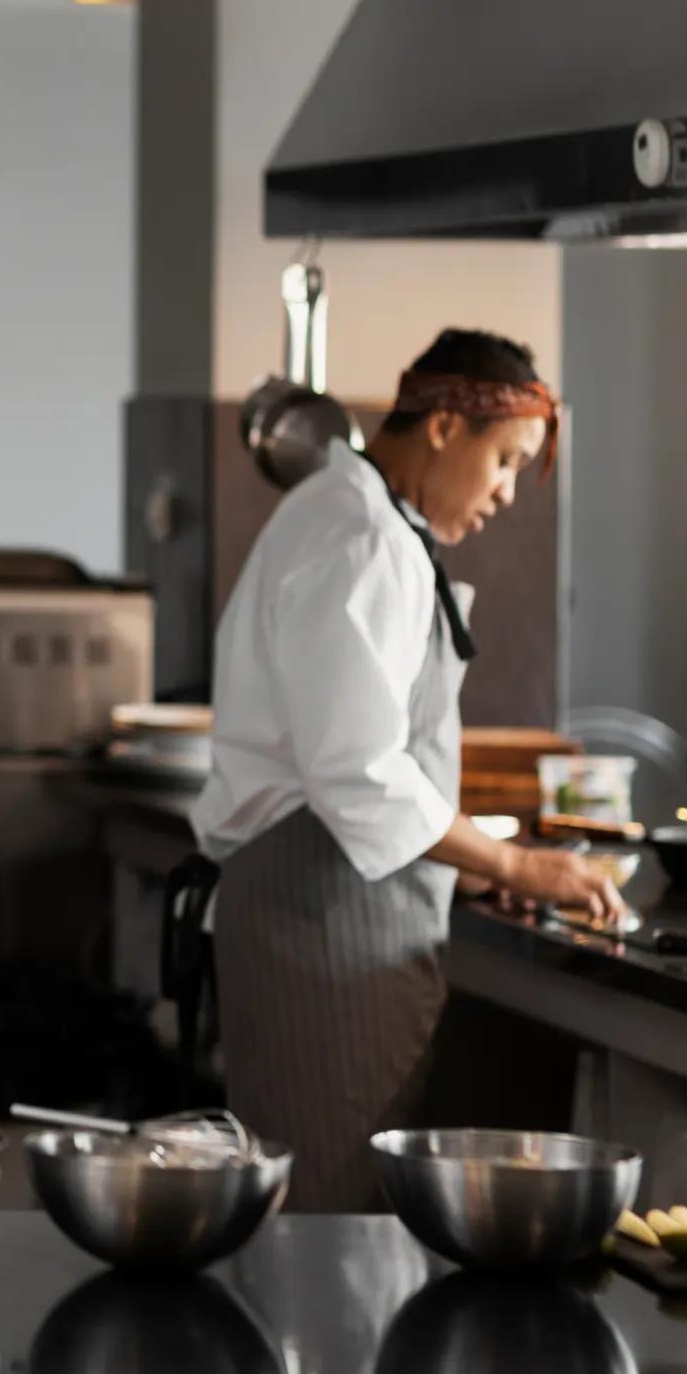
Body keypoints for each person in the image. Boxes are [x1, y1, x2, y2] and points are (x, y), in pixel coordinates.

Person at [186, 327, 626, 1212]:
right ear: (444, 427)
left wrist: (455, 874)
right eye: (504, 461)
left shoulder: (359, 517)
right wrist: (512, 862)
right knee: (334, 1210)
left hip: (335, 907)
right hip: (324, 916)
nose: (506, 492)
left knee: (324, 1207)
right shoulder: (362, 534)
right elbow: (358, 772)